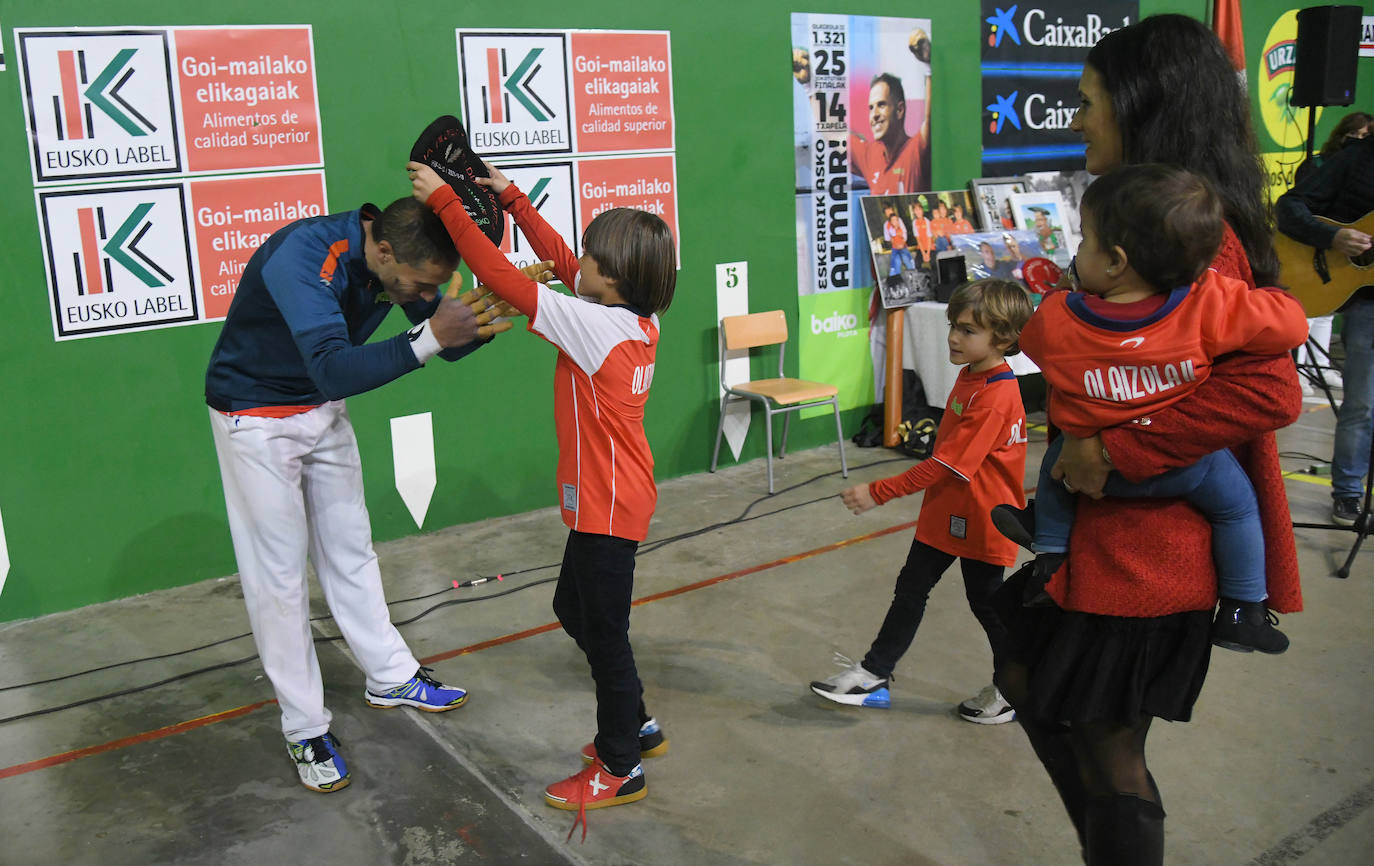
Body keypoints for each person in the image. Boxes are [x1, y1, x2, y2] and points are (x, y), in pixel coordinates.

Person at [993, 15, 1303, 865]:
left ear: (1138, 105)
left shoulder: (1197, 242)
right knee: (1032, 678)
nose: (1078, 119)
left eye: (1088, 102)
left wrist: (1114, 451)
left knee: (1108, 748)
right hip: (1112, 537)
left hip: (1152, 548)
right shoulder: (1156, 213)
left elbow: (1271, 386)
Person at [205, 195, 519, 793]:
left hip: (320, 408)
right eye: (418, 283)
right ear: (382, 251)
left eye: (436, 284)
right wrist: (429, 338)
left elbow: (441, 339)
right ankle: (304, 727)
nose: (423, 294)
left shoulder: (399, 258)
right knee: (279, 579)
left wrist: (483, 314)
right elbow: (333, 366)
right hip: (256, 416)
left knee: (351, 549)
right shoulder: (303, 257)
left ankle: (390, 675)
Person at [408, 159, 677, 827]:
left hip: (608, 507)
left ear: (612, 279)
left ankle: (621, 767)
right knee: (573, 607)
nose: (575, 261)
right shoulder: (630, 318)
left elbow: (503, 278)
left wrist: (448, 203)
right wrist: (513, 200)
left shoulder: (596, 327)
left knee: (606, 637)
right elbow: (562, 264)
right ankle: (637, 725)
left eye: (592, 258)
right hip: (614, 498)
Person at [996, 164, 1306, 656]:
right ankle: (1243, 606)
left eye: (1085, 239)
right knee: (1238, 508)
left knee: (1052, 473)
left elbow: (1031, 343)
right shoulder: (1208, 302)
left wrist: (1068, 293)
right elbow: (1290, 327)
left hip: (1081, 469)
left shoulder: (1060, 317)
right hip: (1182, 466)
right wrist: (1270, 295)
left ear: (1115, 262)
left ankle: (1048, 556)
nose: (1078, 250)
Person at [810, 279, 1034, 725]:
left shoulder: (995, 395)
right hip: (949, 511)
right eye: (954, 325)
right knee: (911, 588)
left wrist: (878, 492)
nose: (953, 336)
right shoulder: (972, 376)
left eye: (968, 330)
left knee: (987, 606)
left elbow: (949, 465)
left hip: (981, 518)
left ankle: (1016, 689)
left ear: (1003, 338)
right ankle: (874, 674)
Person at [1277, 129, 1374, 527]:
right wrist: (1333, 236)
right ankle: (1349, 495)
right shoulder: (1358, 158)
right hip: (1366, 304)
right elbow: (1290, 206)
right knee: (1363, 405)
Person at [1293, 111, 1371, 393]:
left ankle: (1320, 368)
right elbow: (1294, 205)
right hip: (1319, 253)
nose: (1360, 141)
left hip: (1352, 271)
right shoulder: (1326, 165)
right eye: (1358, 136)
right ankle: (1298, 371)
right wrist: (1333, 236)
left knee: (1325, 315)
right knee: (1308, 313)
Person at [849, 71, 931, 195]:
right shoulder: (870, 155)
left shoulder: (916, 150)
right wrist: (810, 87)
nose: (874, 115)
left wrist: (927, 69)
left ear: (899, 110)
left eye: (881, 105)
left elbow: (930, 120)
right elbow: (834, 134)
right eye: (871, 108)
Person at [883, 209, 916, 292]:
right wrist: (894, 238)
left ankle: (913, 276)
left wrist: (901, 241)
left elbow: (903, 234)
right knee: (895, 262)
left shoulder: (899, 225)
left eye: (896, 220)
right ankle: (895, 282)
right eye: (887, 212)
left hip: (903, 246)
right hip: (895, 247)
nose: (895, 221)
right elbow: (889, 237)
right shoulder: (888, 226)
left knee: (906, 258)